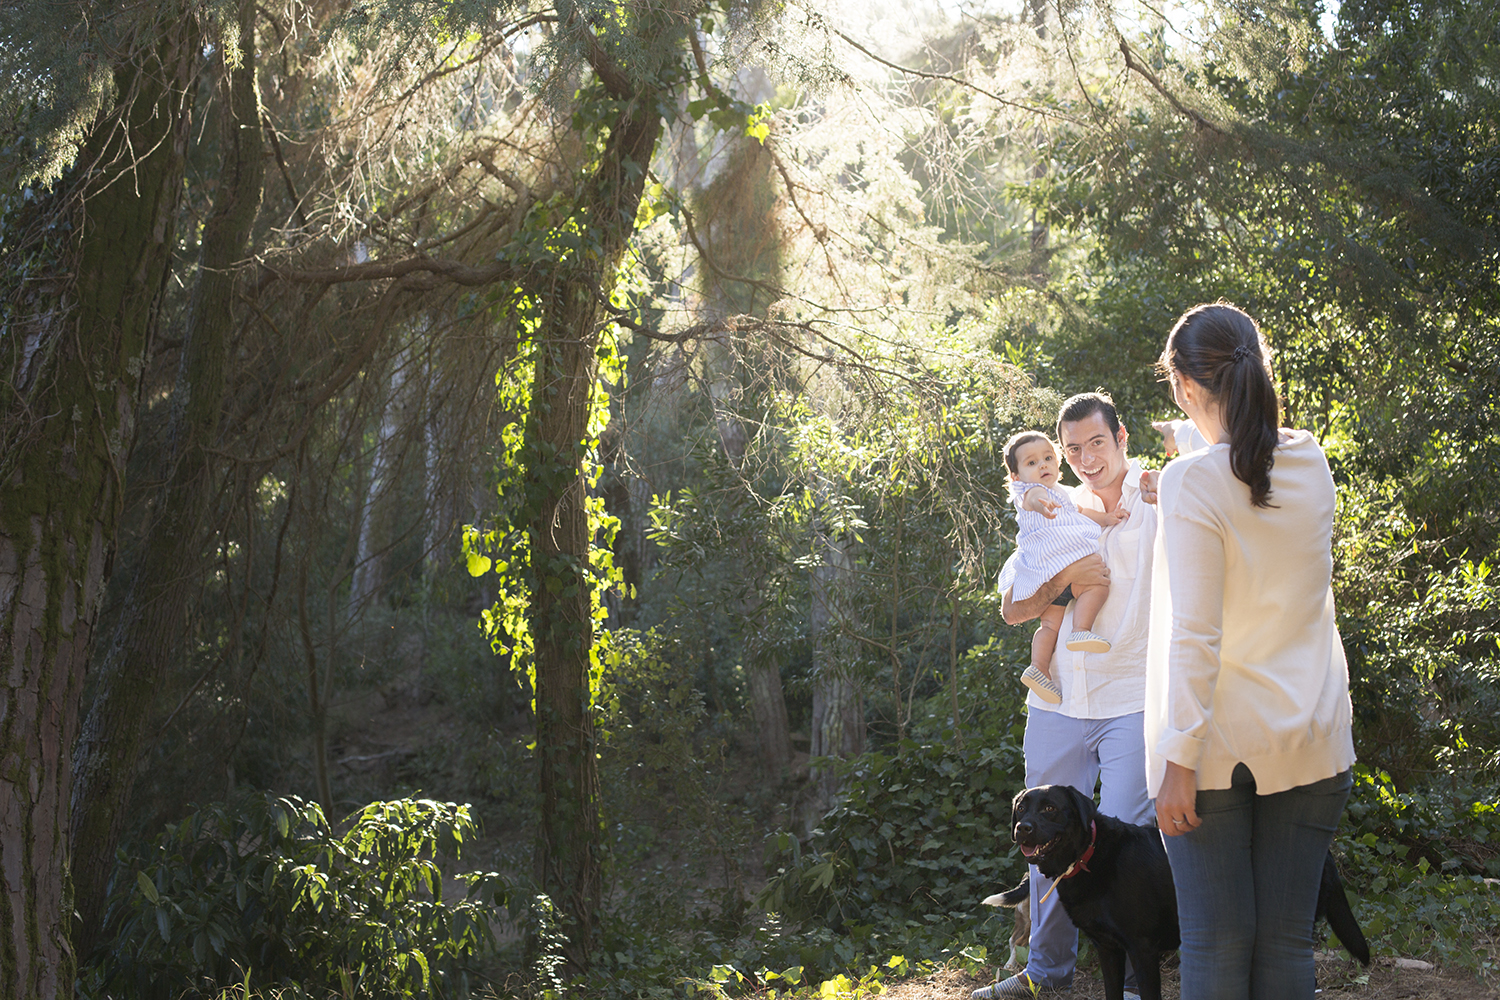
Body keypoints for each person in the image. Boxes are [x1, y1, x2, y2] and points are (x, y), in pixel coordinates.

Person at [1147, 303, 1356, 1000]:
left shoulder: (1191, 482)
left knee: (1215, 945)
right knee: (1286, 946)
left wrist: (1177, 758)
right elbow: (1248, 473)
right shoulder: (1312, 459)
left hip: (1213, 747)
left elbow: (1196, 634)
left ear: (1180, 384)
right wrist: (1191, 440)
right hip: (1312, 735)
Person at [976, 392, 1159, 1000]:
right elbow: (1013, 608)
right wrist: (1067, 578)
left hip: (1133, 696)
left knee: (1131, 839)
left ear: (1122, 436)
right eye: (1072, 448)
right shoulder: (1051, 506)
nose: (1085, 458)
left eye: (1096, 443)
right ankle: (1045, 972)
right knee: (1042, 842)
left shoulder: (1161, 500)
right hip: (1058, 702)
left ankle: (1135, 983)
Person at [998, 430, 1127, 704]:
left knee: (1050, 625)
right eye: (1031, 463)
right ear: (1016, 477)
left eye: (1047, 458)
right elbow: (1031, 500)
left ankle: (1038, 668)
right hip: (1056, 563)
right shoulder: (1031, 492)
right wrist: (1041, 506)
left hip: (1055, 569)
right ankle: (1081, 629)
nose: (1042, 465)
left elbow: (1080, 512)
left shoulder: (1063, 494)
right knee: (1097, 585)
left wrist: (1106, 517)